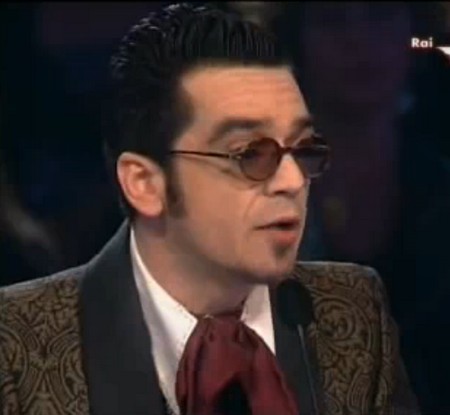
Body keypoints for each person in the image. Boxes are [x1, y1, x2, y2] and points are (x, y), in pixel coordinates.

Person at [0, 3, 419, 415]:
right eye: (250, 153)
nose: (293, 180)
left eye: (303, 148)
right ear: (145, 184)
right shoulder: (17, 343)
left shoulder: (353, 308)